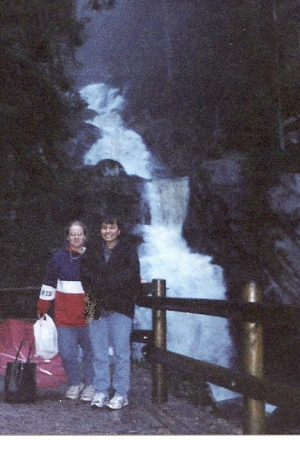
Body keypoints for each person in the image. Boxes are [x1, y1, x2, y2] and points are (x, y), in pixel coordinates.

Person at [80, 214, 141, 410]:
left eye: (111, 228)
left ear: (119, 230)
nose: (108, 231)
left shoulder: (128, 251)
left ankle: (121, 393)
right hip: (94, 305)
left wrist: (104, 284)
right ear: (100, 230)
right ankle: (101, 391)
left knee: (122, 352)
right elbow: (84, 277)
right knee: (98, 352)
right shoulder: (91, 251)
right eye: (104, 228)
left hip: (120, 307)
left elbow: (131, 277)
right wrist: (104, 284)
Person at [37, 220, 94, 401]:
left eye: (79, 233)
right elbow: (49, 283)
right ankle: (76, 383)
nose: (76, 237)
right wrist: (43, 307)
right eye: (72, 234)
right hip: (64, 314)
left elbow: (100, 286)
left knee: (90, 352)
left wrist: (92, 314)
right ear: (68, 237)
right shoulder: (58, 258)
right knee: (68, 353)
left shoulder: (95, 257)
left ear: (85, 236)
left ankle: (91, 384)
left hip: (89, 313)